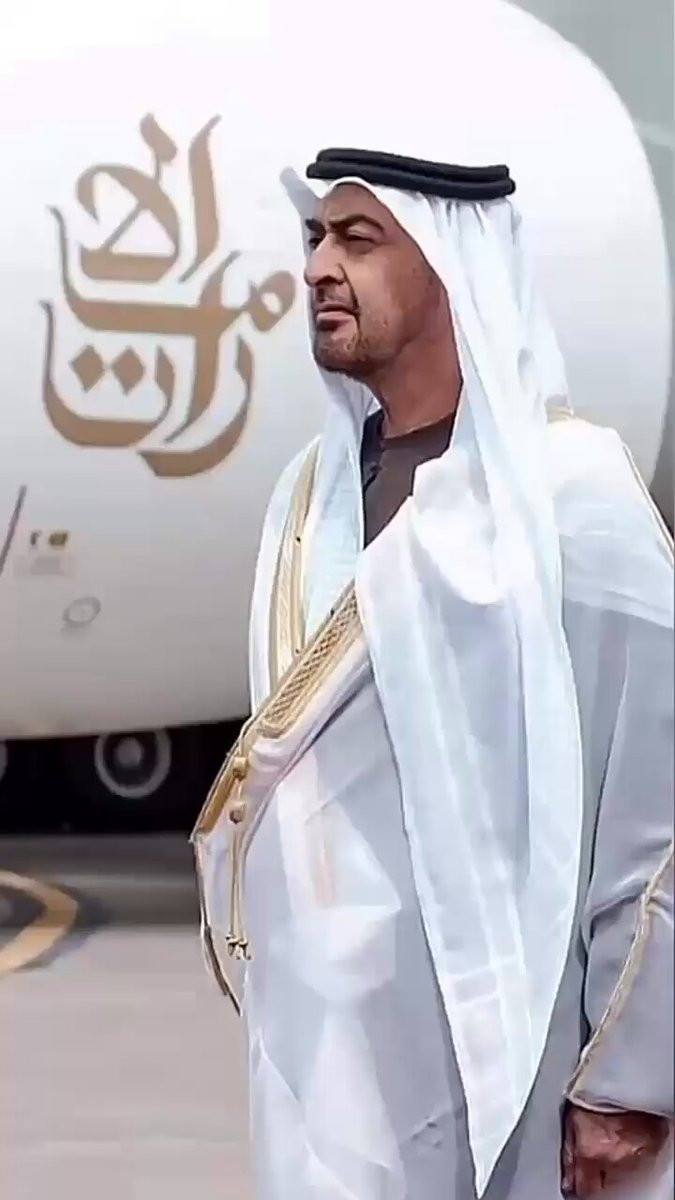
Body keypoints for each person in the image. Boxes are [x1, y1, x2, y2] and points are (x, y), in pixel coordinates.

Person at [193, 148, 674, 1199]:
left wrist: (630, 1073)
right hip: (335, 1071)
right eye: (314, 237)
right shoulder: (310, 499)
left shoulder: (570, 501)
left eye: (358, 239)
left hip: (526, 1059)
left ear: (452, 262)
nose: (319, 267)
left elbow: (654, 804)